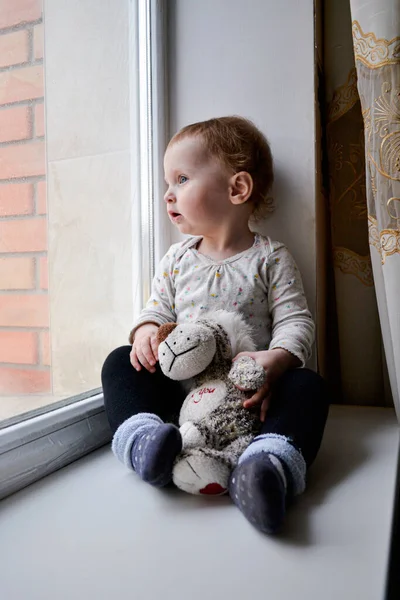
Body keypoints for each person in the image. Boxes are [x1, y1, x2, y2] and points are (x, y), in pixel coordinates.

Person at [101, 116, 330, 534]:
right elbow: (155, 310)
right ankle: (145, 443)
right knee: (120, 362)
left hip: (249, 402)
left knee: (309, 387)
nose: (168, 194)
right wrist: (147, 334)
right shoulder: (176, 259)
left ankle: (266, 466)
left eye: (182, 179)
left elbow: (295, 320)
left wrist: (274, 363)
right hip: (182, 398)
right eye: (167, 183)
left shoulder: (271, 258)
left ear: (237, 188)